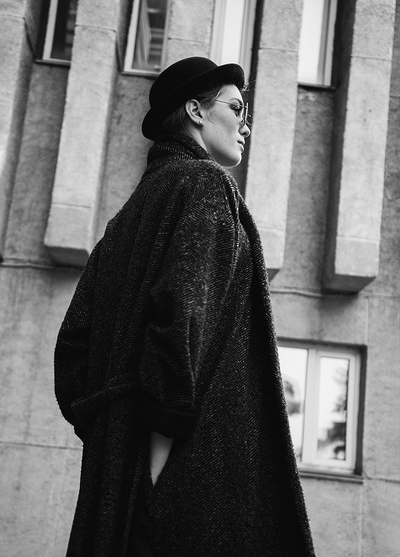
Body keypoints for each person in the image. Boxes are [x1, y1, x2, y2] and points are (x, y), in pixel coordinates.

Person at [55, 56, 315, 556]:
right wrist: (159, 452)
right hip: (184, 471)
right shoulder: (203, 184)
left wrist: (113, 437)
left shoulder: (128, 216)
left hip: (116, 473)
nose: (245, 126)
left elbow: (73, 348)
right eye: (236, 109)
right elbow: (181, 316)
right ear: (196, 111)